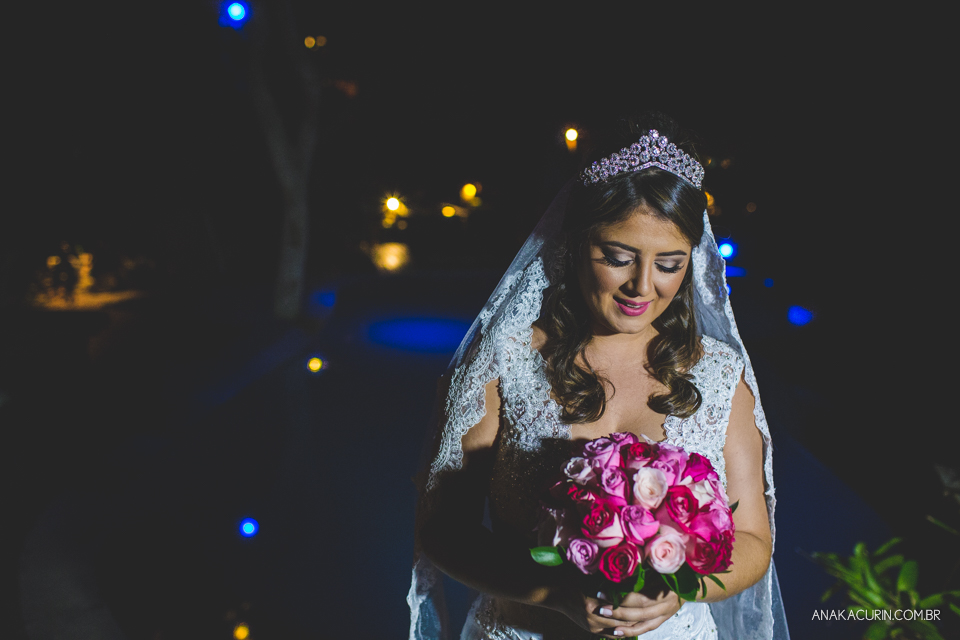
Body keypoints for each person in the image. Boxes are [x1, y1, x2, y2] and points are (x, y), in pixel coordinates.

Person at [409, 114, 789, 639]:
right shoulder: (505, 362)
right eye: (617, 257)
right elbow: (444, 529)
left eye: (669, 264)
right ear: (575, 244)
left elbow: (751, 540)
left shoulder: (721, 374)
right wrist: (553, 593)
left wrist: (677, 591)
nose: (641, 286)